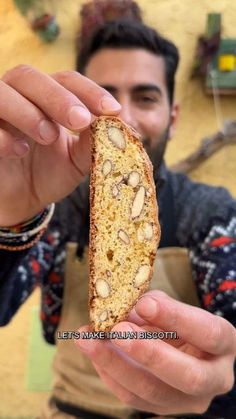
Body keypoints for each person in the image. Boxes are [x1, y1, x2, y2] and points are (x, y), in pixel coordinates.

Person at [0, 15, 236, 419]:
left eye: (145, 98)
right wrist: (9, 218)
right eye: (103, 98)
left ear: (173, 117)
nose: (124, 116)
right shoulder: (52, 214)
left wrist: (225, 385)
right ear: (72, 111)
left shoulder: (210, 213)